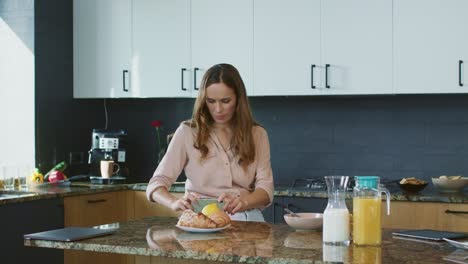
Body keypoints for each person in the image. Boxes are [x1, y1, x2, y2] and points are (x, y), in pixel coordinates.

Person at [146, 63, 274, 222]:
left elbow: (266, 189)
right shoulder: (187, 132)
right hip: (201, 221)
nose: (218, 109)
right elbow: (156, 183)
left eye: (226, 101)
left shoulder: (257, 134)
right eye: (211, 101)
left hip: (246, 220)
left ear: (238, 99)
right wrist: (173, 202)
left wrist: (244, 202)